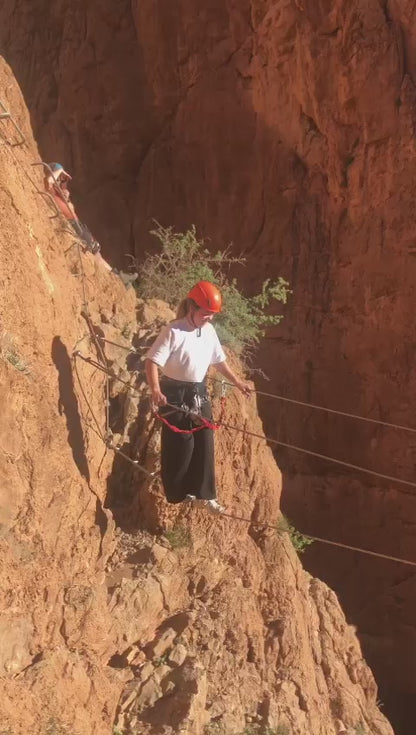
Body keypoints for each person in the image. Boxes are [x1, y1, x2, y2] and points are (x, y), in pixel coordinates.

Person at [145, 280, 250, 513]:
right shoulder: (173, 331)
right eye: (206, 313)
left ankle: (205, 495)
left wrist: (238, 383)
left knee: (205, 439)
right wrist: (155, 390)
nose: (209, 318)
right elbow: (152, 361)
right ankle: (178, 492)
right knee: (181, 443)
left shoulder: (209, 331)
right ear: (192, 308)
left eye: (212, 314)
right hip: (174, 392)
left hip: (198, 391)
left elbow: (219, 361)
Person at [44, 163, 137, 285]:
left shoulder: (61, 193)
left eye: (64, 179)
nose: (63, 181)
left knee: (96, 250)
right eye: (61, 177)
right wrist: (58, 171)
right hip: (72, 225)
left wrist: (65, 195)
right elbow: (49, 180)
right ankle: (118, 278)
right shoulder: (51, 188)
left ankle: (119, 277)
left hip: (77, 225)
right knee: (95, 253)